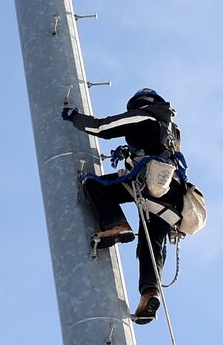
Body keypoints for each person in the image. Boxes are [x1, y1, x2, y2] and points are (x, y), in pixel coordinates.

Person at [60, 88, 193, 325]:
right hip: (171, 196)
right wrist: (129, 152)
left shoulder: (144, 116)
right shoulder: (171, 129)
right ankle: (149, 294)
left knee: (93, 183)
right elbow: (154, 149)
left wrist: (74, 117)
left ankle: (117, 225)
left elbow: (102, 127)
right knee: (150, 246)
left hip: (148, 184)